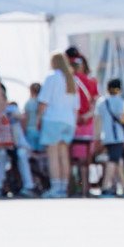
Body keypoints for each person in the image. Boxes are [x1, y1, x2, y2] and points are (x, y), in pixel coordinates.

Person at [36, 52, 79, 197]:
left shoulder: (52, 77)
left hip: (53, 119)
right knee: (63, 154)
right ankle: (63, 187)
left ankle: (55, 187)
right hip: (69, 121)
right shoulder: (72, 79)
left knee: (53, 155)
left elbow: (43, 101)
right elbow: (76, 107)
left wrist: (37, 119)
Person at [0, 88, 38, 198]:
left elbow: (22, 117)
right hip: (3, 146)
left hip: (19, 145)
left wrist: (14, 116)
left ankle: (29, 186)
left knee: (21, 154)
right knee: (2, 154)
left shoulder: (12, 109)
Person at [66, 47, 99, 196]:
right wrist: (87, 115)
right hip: (87, 122)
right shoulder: (91, 81)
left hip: (72, 122)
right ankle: (85, 187)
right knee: (85, 159)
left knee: (70, 157)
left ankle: (72, 188)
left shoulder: (67, 81)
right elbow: (95, 103)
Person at [96, 78, 124, 197]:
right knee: (113, 160)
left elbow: (97, 120)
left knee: (118, 160)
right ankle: (106, 186)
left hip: (106, 136)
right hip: (117, 136)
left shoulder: (101, 102)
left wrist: (97, 136)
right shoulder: (121, 102)